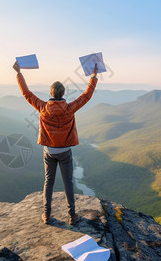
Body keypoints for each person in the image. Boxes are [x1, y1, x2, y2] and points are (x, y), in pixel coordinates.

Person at [13, 61, 98, 225]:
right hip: (65, 152)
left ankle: (46, 214)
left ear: (50, 93)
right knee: (68, 183)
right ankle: (72, 216)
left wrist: (18, 73)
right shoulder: (70, 108)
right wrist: (93, 76)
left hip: (49, 151)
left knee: (48, 181)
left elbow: (27, 93)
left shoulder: (43, 107)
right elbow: (87, 95)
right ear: (63, 93)